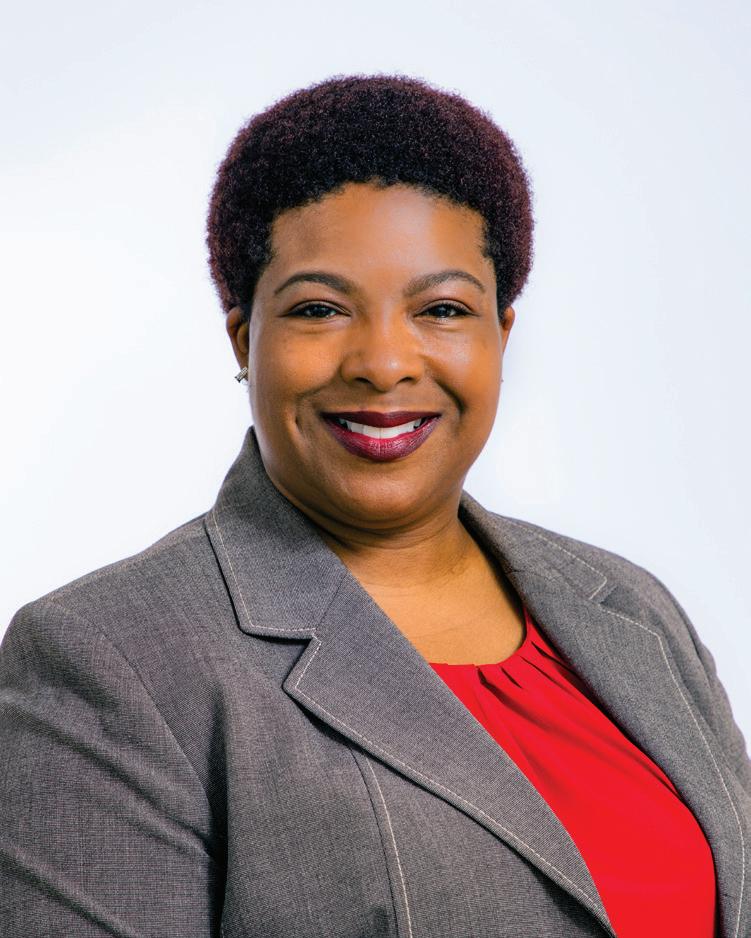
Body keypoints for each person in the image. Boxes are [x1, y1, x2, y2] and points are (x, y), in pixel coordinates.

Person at [1, 73, 749, 938]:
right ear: (244, 338)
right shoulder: (109, 659)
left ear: (500, 334)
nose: (384, 363)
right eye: (319, 309)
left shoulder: (630, 608)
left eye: (442, 308)